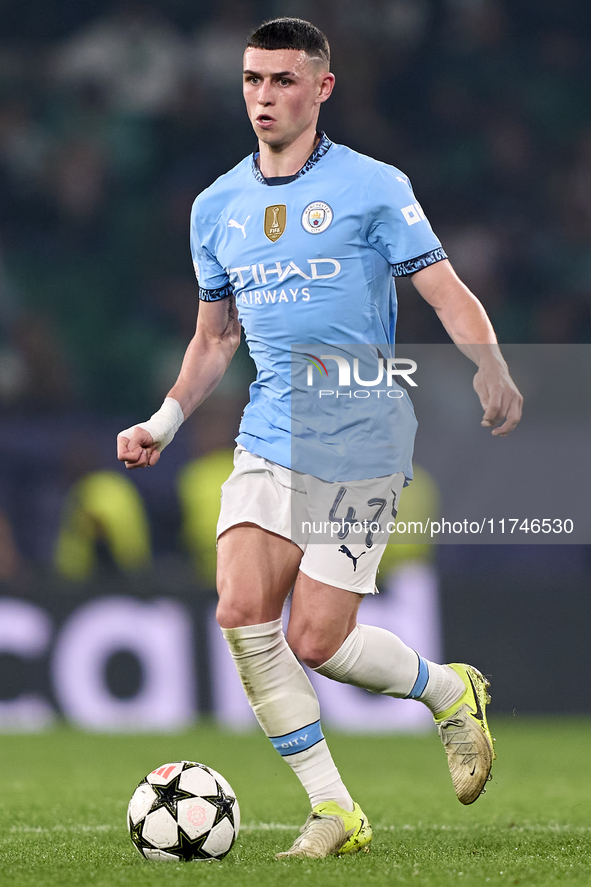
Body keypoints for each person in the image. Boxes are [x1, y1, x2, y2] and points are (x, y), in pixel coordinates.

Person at [117, 17, 523, 860]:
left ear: (321, 88)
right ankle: (334, 809)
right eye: (252, 81)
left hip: (359, 427)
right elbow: (214, 339)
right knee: (240, 612)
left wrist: (490, 367)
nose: (264, 97)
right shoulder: (216, 205)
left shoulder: (374, 186)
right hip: (270, 428)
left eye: (282, 81)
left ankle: (450, 691)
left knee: (318, 641)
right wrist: (160, 422)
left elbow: (445, 290)